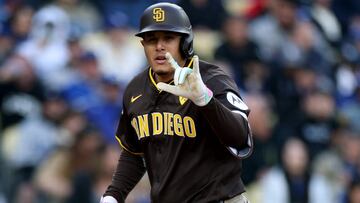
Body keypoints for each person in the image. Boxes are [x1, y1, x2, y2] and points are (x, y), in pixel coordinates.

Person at [100, 2, 253, 203]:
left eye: (168, 38)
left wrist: (205, 100)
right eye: (151, 39)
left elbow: (240, 137)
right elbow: (135, 152)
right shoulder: (135, 89)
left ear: (185, 42)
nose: (159, 46)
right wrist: (114, 194)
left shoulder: (212, 79)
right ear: (143, 45)